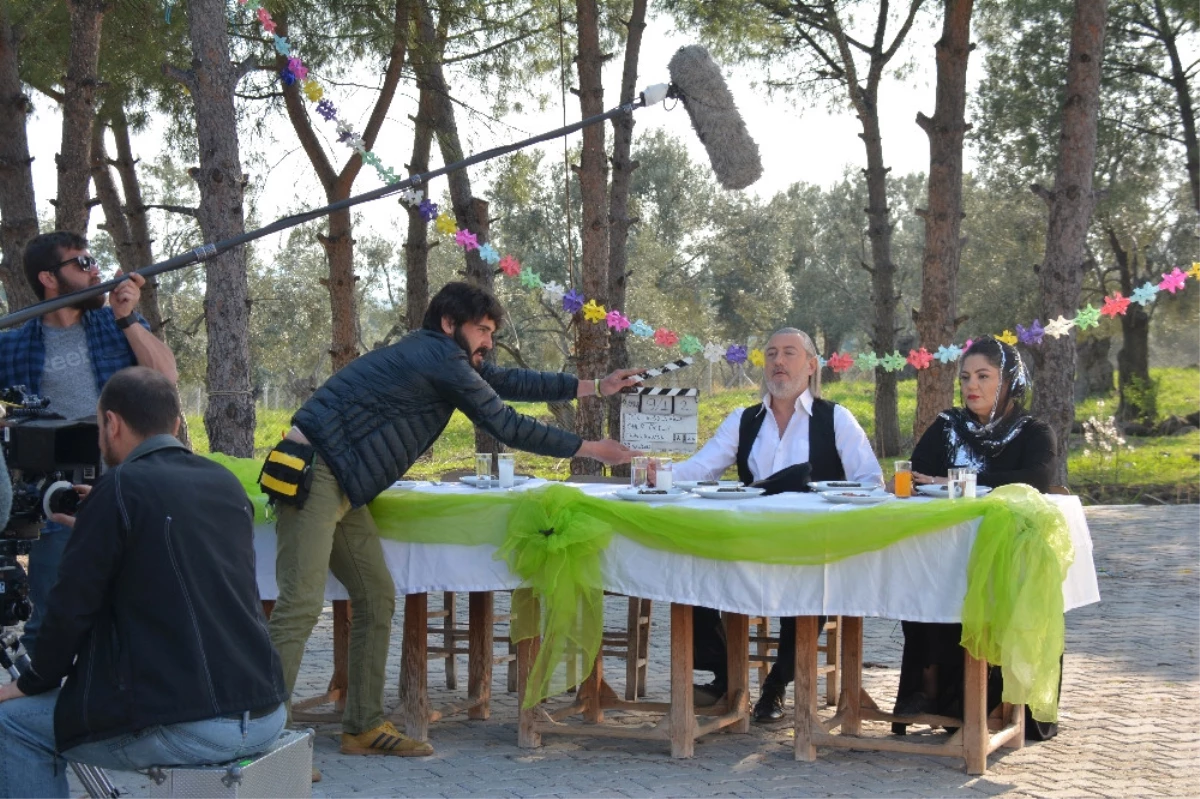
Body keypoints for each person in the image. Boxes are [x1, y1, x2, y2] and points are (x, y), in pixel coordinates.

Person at [267, 281, 643, 757]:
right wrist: (590, 450)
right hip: (315, 474)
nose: (488, 341)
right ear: (449, 324)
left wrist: (593, 386)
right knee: (300, 607)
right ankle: (266, 747)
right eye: (481, 330)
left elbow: (505, 381)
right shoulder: (435, 356)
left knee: (376, 597)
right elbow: (503, 422)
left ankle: (361, 727)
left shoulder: (444, 358)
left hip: (346, 485)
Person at [0, 367, 286, 799]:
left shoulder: (119, 488)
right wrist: (102, 523)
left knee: (13, 725)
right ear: (174, 424)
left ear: (111, 423)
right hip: (266, 710)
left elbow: (69, 611)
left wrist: (28, 683)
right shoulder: (223, 482)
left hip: (188, 722)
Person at [667, 327, 882, 722]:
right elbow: (701, 469)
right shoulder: (744, 419)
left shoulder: (836, 419)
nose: (778, 362)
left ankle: (776, 684)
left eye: (789, 353)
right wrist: (658, 474)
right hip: (748, 543)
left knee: (807, 584)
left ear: (811, 365)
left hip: (812, 545)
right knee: (690, 569)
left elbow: (871, 481)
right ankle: (726, 674)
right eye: (771, 354)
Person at [0, 231, 178, 658]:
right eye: (81, 264)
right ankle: (42, 703)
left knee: (137, 602)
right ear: (48, 277)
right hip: (57, 501)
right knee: (52, 612)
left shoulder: (115, 325)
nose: (94, 269)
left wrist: (128, 317)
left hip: (126, 484)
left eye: (93, 260)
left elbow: (164, 380)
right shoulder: (13, 343)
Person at [893, 337, 1060, 740]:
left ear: (1009, 381)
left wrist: (950, 480)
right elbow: (918, 472)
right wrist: (908, 483)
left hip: (1008, 555)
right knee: (918, 579)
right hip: (945, 547)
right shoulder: (948, 426)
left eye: (984, 376)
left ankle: (987, 704)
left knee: (983, 594)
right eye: (966, 376)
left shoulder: (1033, 432)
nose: (972, 386)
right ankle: (929, 693)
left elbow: (1036, 480)